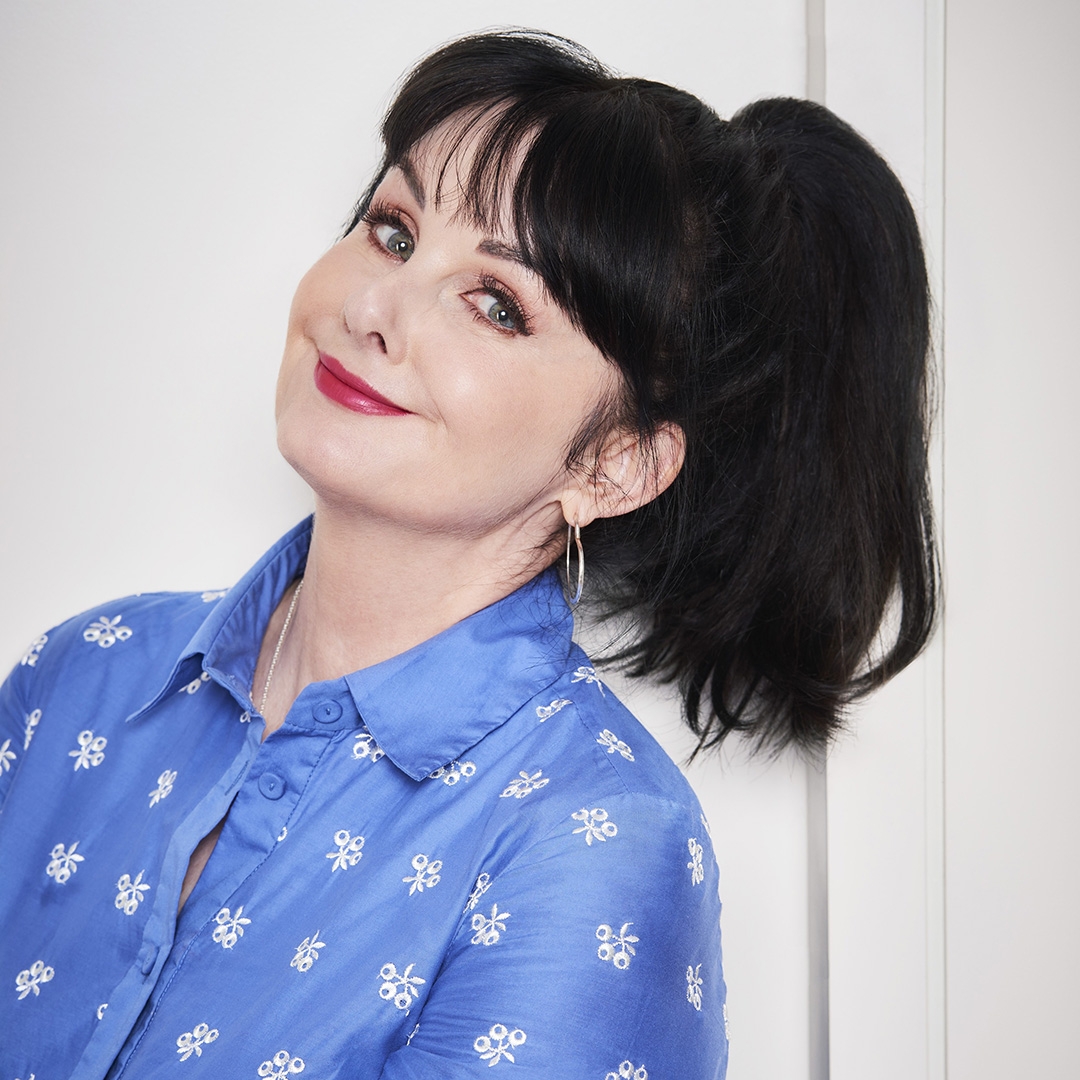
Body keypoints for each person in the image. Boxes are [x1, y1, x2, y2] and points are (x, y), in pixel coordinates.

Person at [0, 28, 935, 1080]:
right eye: (393, 231)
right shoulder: (79, 679)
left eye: (497, 305)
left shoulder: (590, 841)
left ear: (616, 465)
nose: (373, 309)